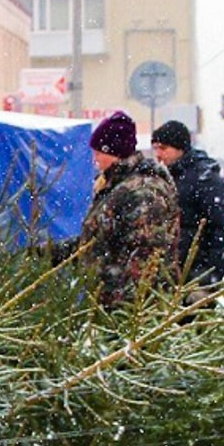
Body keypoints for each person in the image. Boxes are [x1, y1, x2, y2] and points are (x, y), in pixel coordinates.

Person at [76, 111, 179, 307]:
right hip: (111, 301)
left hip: (133, 309)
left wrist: (125, 302)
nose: (95, 159)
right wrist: (54, 252)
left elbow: (147, 252)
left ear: (114, 154)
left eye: (99, 153)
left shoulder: (143, 191)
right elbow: (101, 237)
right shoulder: (116, 187)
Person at [149, 119, 224, 289]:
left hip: (192, 278)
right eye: (155, 149)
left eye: (163, 148)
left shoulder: (204, 181)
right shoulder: (161, 178)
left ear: (180, 148)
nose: (158, 154)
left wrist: (207, 278)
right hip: (164, 279)